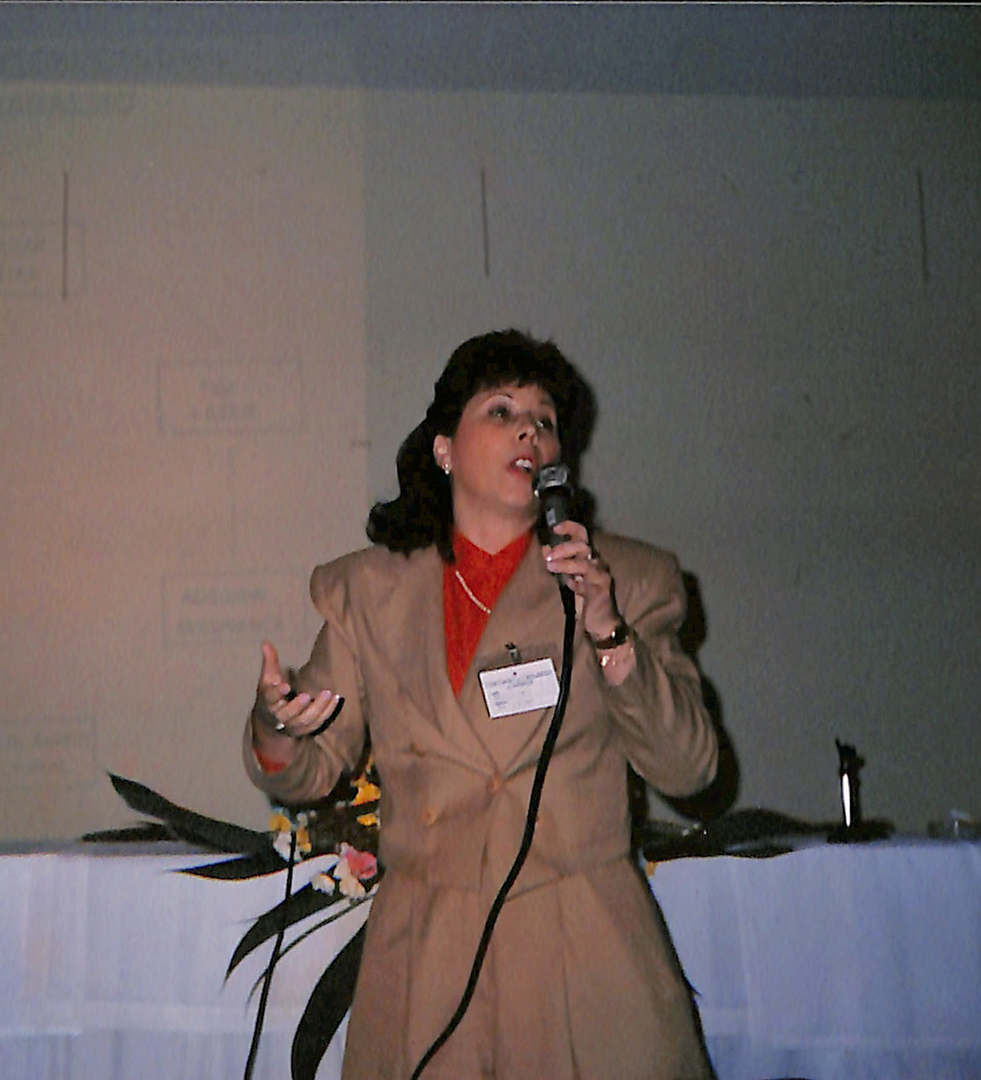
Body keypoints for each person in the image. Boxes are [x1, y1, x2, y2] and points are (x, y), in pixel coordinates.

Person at [242, 329, 718, 1079]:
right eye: (501, 411)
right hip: (426, 954)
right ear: (444, 448)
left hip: (582, 949)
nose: (530, 431)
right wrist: (278, 724)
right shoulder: (369, 591)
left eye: (545, 420)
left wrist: (609, 632)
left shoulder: (627, 579)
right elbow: (308, 767)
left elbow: (690, 768)